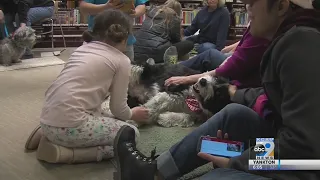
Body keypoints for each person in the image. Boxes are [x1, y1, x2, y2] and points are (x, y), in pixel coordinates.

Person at [113, 0, 320, 179]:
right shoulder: (291, 39)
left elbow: (303, 152)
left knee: (219, 175)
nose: (247, 8)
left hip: (307, 165)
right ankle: (152, 172)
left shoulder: (301, 44)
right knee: (234, 114)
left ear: (282, 5)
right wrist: (233, 92)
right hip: (289, 142)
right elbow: (279, 99)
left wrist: (239, 162)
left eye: (252, 3)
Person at [26, 9, 150, 161]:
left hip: (47, 118)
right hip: (70, 127)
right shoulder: (122, 61)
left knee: (103, 107)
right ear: (125, 37)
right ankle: (65, 153)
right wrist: (132, 114)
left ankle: (46, 133)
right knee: (131, 135)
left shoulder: (82, 49)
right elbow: (118, 109)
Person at [166, 24, 270, 88]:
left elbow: (227, 68)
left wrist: (186, 79)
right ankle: (170, 70)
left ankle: (168, 70)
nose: (249, 7)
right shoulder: (258, 23)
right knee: (197, 47)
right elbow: (242, 42)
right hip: (206, 43)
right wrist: (228, 49)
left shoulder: (262, 30)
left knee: (209, 52)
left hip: (218, 50)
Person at [80, 0, 148, 61]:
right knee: (96, 71)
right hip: (98, 40)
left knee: (127, 71)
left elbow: (142, 6)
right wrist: (105, 7)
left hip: (125, 41)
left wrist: (135, 13)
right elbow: (83, 7)